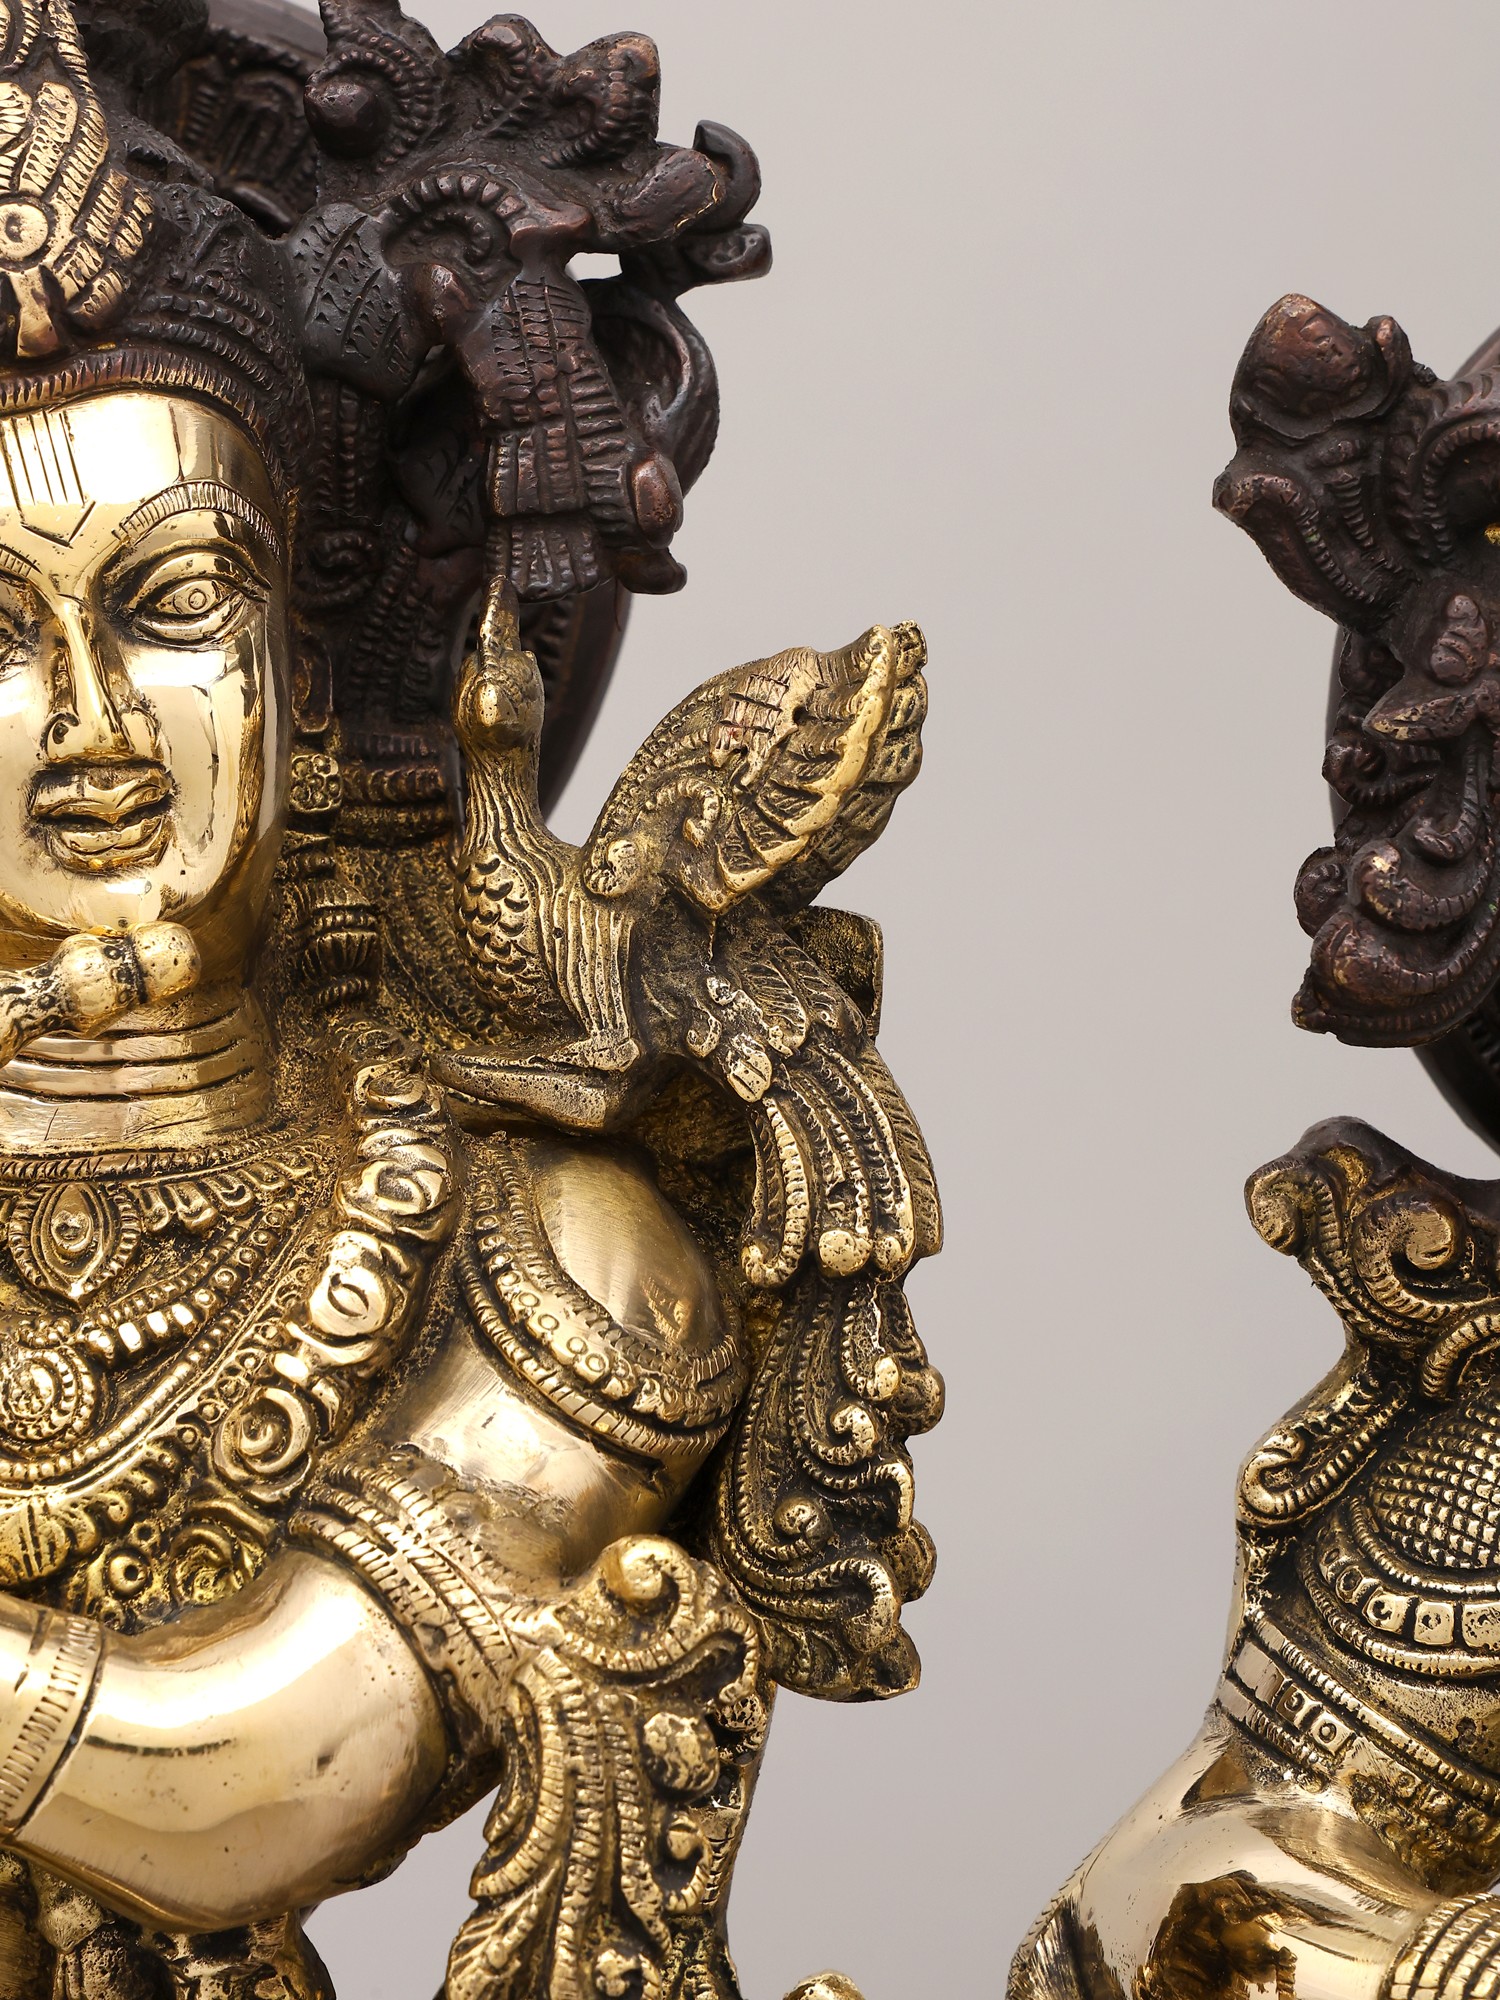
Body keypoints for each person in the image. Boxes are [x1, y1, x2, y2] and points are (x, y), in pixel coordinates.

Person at [0, 2, 942, 1996]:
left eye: (174, 606)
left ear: (303, 654)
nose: (92, 726)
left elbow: (257, 1779)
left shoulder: (542, 1255)